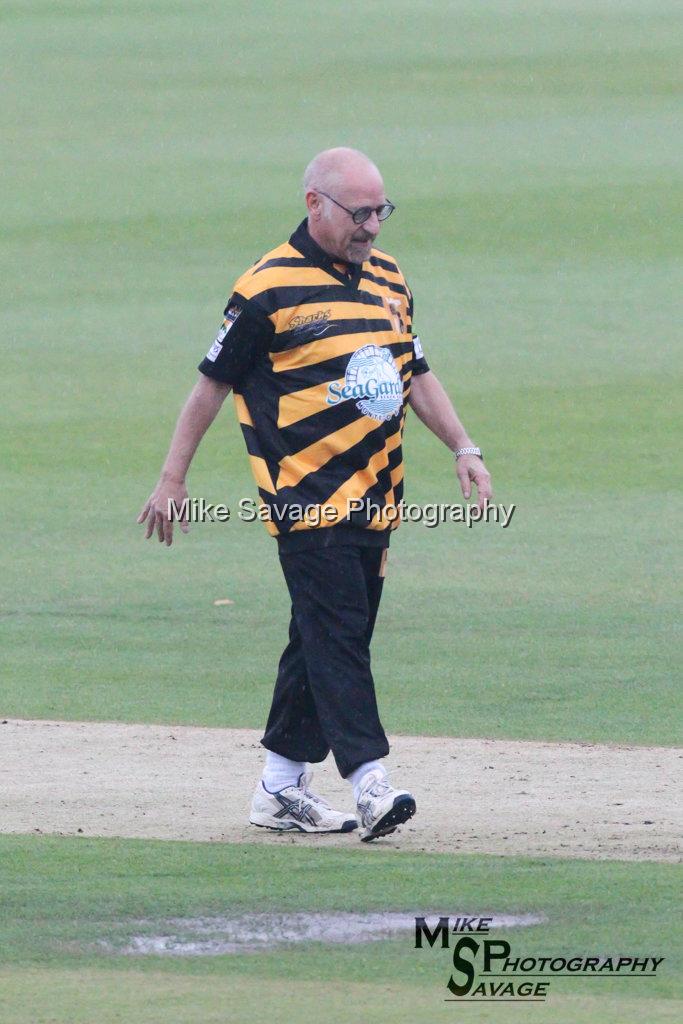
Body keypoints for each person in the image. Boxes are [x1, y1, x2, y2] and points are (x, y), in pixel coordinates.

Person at [138, 147, 492, 842]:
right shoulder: (266, 288)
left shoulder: (388, 277)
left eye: (380, 211)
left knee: (326, 633)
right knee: (336, 635)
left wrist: (462, 445)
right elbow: (211, 384)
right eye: (359, 213)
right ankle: (369, 783)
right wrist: (173, 477)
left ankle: (278, 788)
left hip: (378, 493)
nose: (373, 227)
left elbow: (413, 371)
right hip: (304, 494)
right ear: (314, 204)